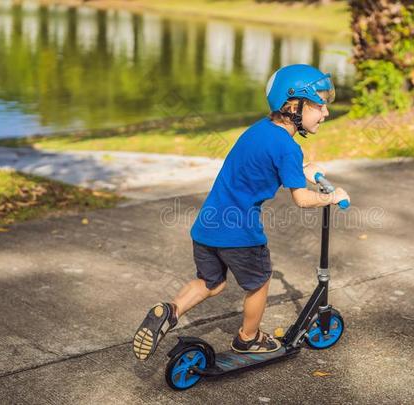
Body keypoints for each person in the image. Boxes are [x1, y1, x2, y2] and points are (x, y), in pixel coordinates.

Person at [132, 64, 350, 360]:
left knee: (211, 282)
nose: (325, 113)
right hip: (240, 232)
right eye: (320, 105)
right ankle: (248, 339)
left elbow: (262, 161)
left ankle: (169, 311)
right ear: (293, 105)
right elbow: (301, 199)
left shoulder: (258, 130)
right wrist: (331, 197)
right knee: (260, 280)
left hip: (207, 227)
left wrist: (303, 170)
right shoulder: (288, 147)